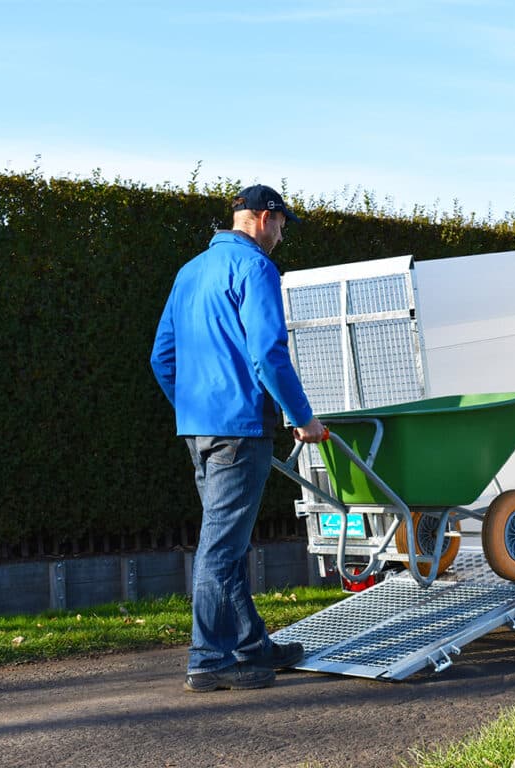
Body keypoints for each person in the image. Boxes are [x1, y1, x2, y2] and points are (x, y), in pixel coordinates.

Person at [150, 184, 326, 692]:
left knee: (226, 543)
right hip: (240, 431)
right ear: (263, 218)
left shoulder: (189, 272)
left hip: (200, 429)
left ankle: (252, 646)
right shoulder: (255, 268)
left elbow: (162, 357)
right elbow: (268, 353)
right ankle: (208, 659)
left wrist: (194, 408)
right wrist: (303, 417)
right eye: (281, 226)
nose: (279, 237)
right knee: (220, 549)